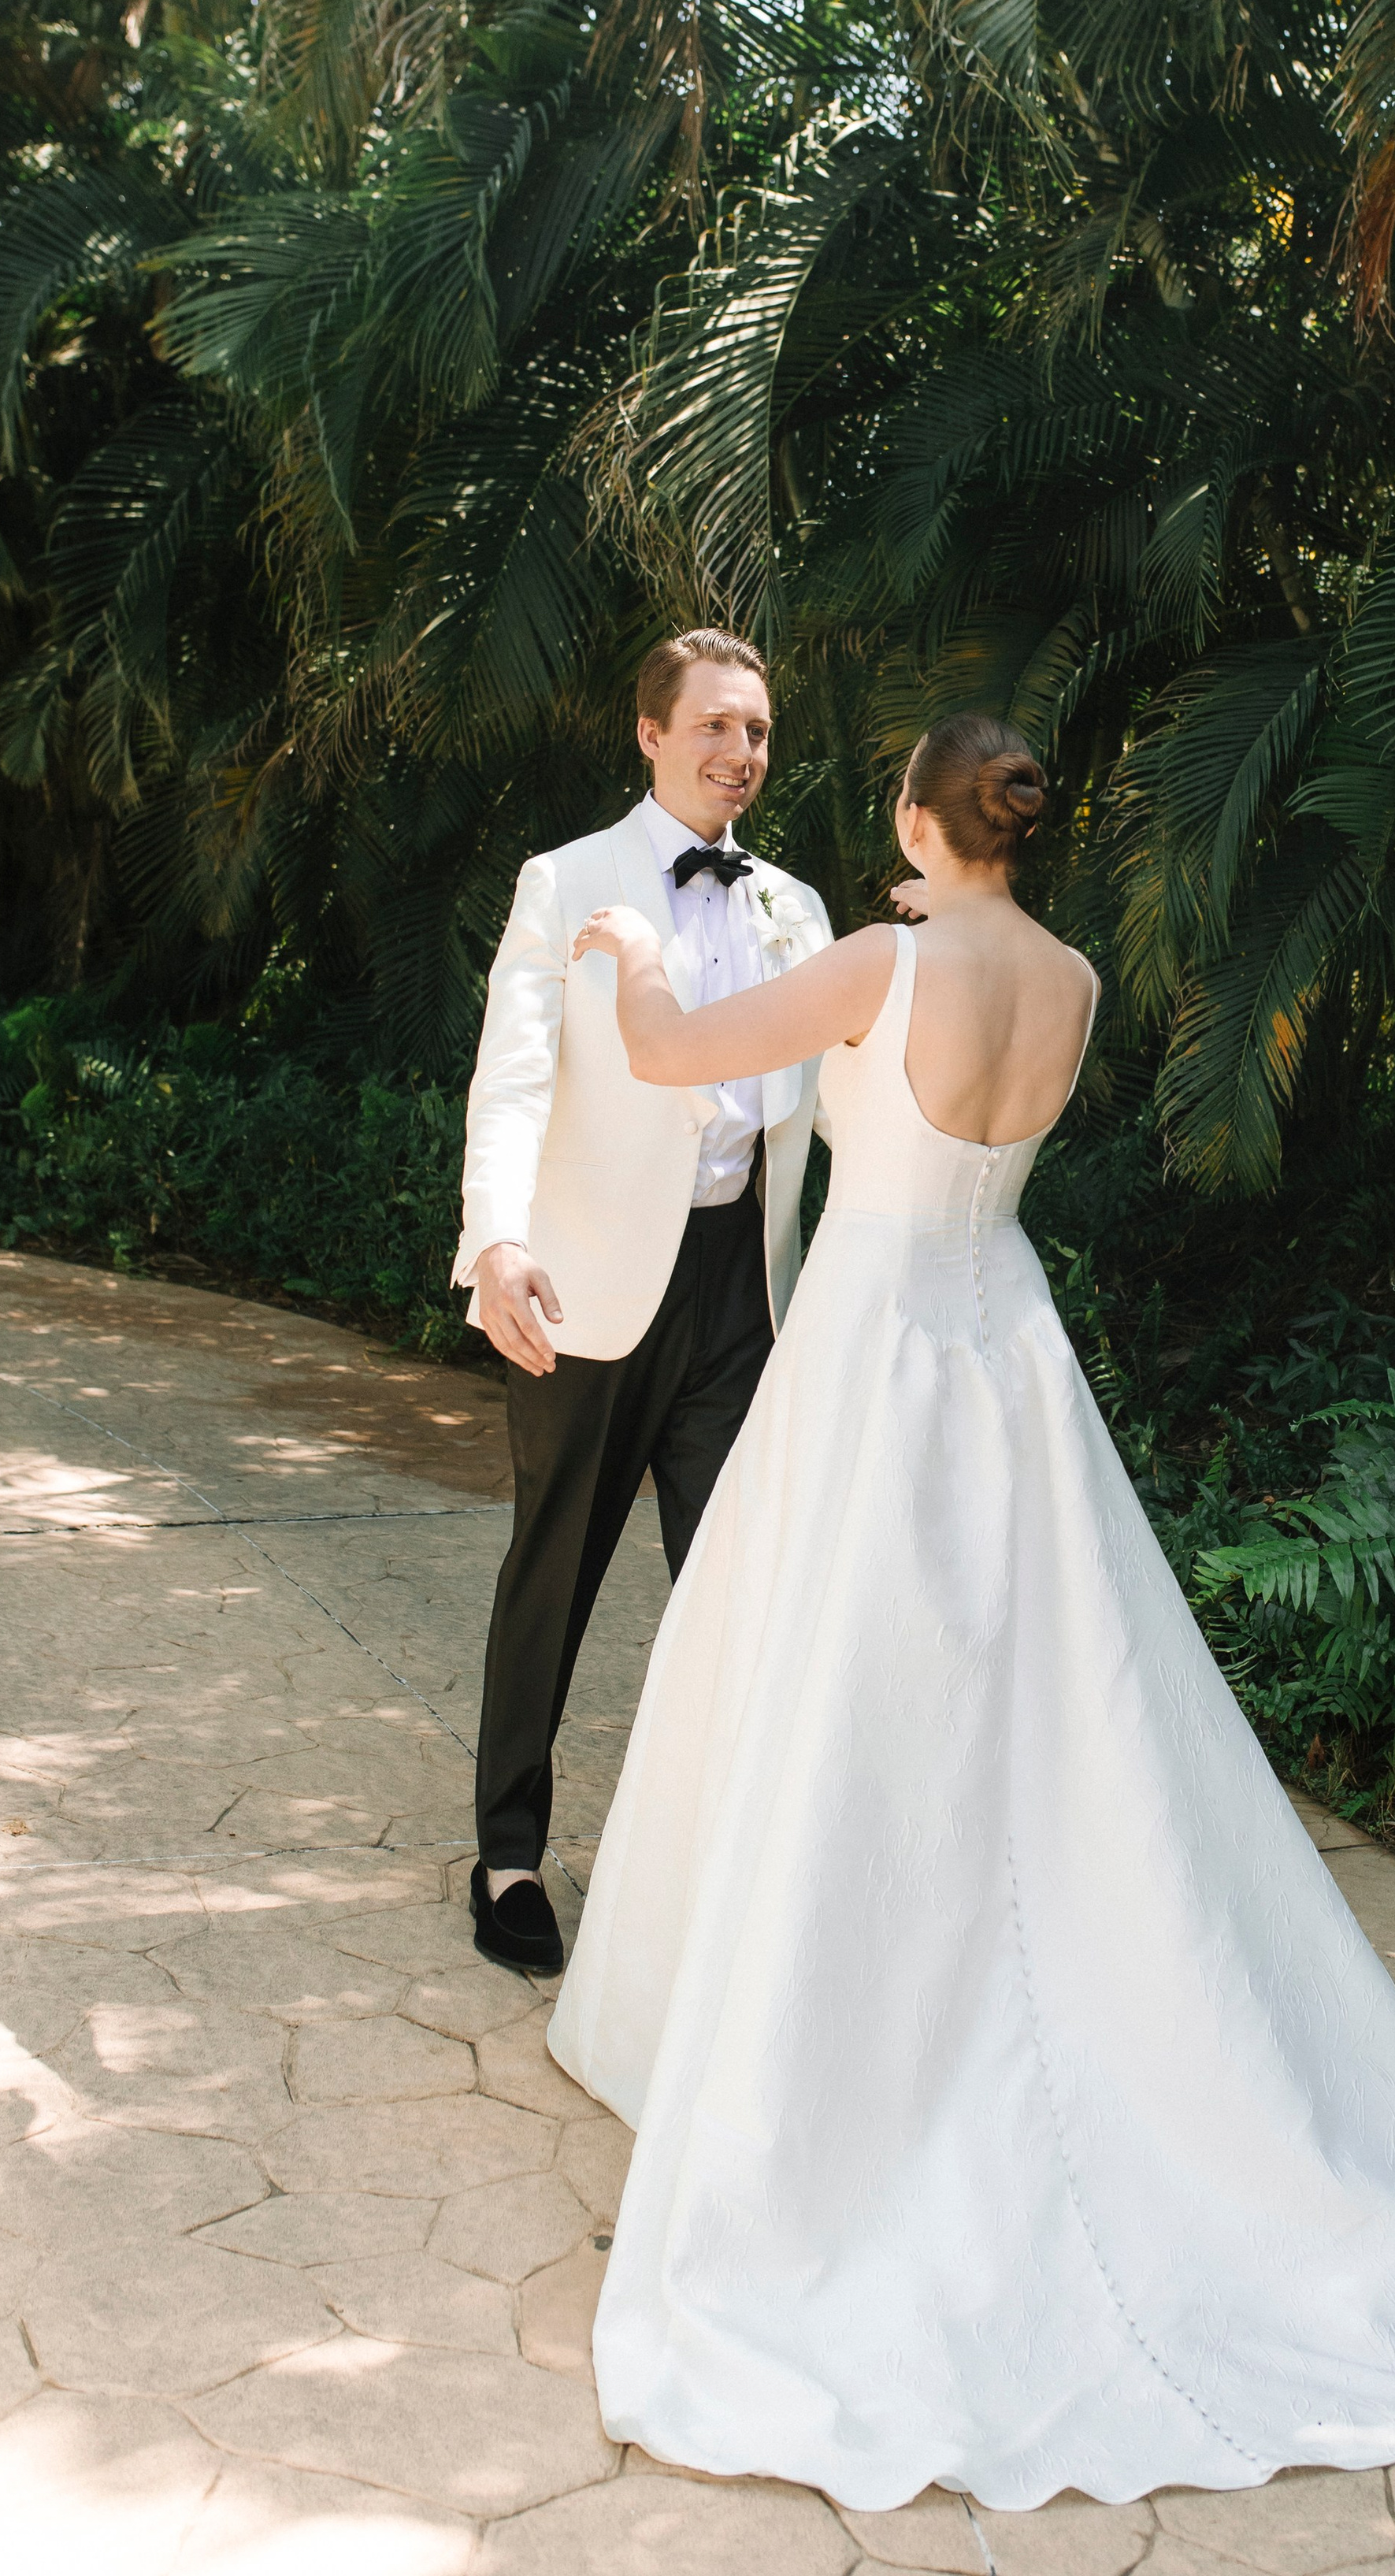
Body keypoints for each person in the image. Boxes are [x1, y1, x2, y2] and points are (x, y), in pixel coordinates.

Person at [541, 707, 1395, 2510]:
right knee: (1046, 1718)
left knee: (836, 1705)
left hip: (869, 1356)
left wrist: (626, 949)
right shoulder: (1064, 979)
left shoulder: (864, 965)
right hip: (1001, 1342)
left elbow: (667, 1053)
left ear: (914, 816)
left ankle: (824, 2089)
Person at [452, 629, 832, 1972]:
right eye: (717, 726)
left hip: (745, 1287)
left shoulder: (799, 905)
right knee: (553, 1563)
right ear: (650, 733)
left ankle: (712, 1863)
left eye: (760, 731)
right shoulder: (566, 884)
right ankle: (508, 1855)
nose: (742, 752)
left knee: (728, 1585)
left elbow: (828, 1098)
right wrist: (495, 1244)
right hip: (593, 1278)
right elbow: (512, 1079)